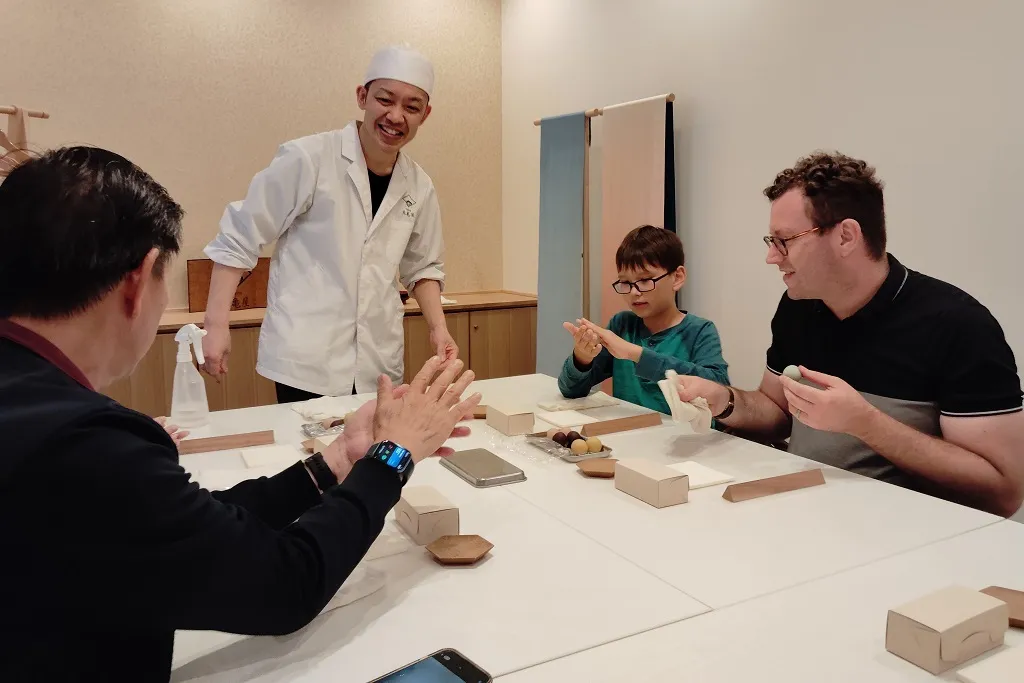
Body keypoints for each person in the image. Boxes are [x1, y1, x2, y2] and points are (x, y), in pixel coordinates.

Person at [0, 146, 481, 682]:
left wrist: (335, 464)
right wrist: (394, 458)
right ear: (140, 280)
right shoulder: (85, 446)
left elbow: (185, 523)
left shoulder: (37, 409)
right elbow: (284, 585)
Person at [675, 151, 1024, 516]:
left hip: (909, 537)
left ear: (845, 236)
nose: (772, 258)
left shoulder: (958, 325)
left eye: (785, 241)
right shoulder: (799, 305)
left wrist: (865, 423)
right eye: (770, 242)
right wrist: (724, 401)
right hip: (804, 513)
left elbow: (1002, 492)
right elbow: (777, 412)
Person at [201, 45, 458, 404]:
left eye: (411, 107)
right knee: (313, 456)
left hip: (377, 362)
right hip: (305, 358)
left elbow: (423, 266)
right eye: (385, 100)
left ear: (425, 115)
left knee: (370, 454)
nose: (396, 116)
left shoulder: (419, 185)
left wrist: (438, 328)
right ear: (362, 96)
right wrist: (216, 325)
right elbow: (240, 236)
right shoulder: (309, 158)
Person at [558, 225, 730, 415]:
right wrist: (583, 357)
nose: (634, 292)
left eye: (645, 280)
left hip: (686, 440)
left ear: (677, 277)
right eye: (625, 283)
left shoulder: (699, 330)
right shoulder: (622, 325)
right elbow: (570, 390)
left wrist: (635, 353)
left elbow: (720, 389)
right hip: (631, 435)